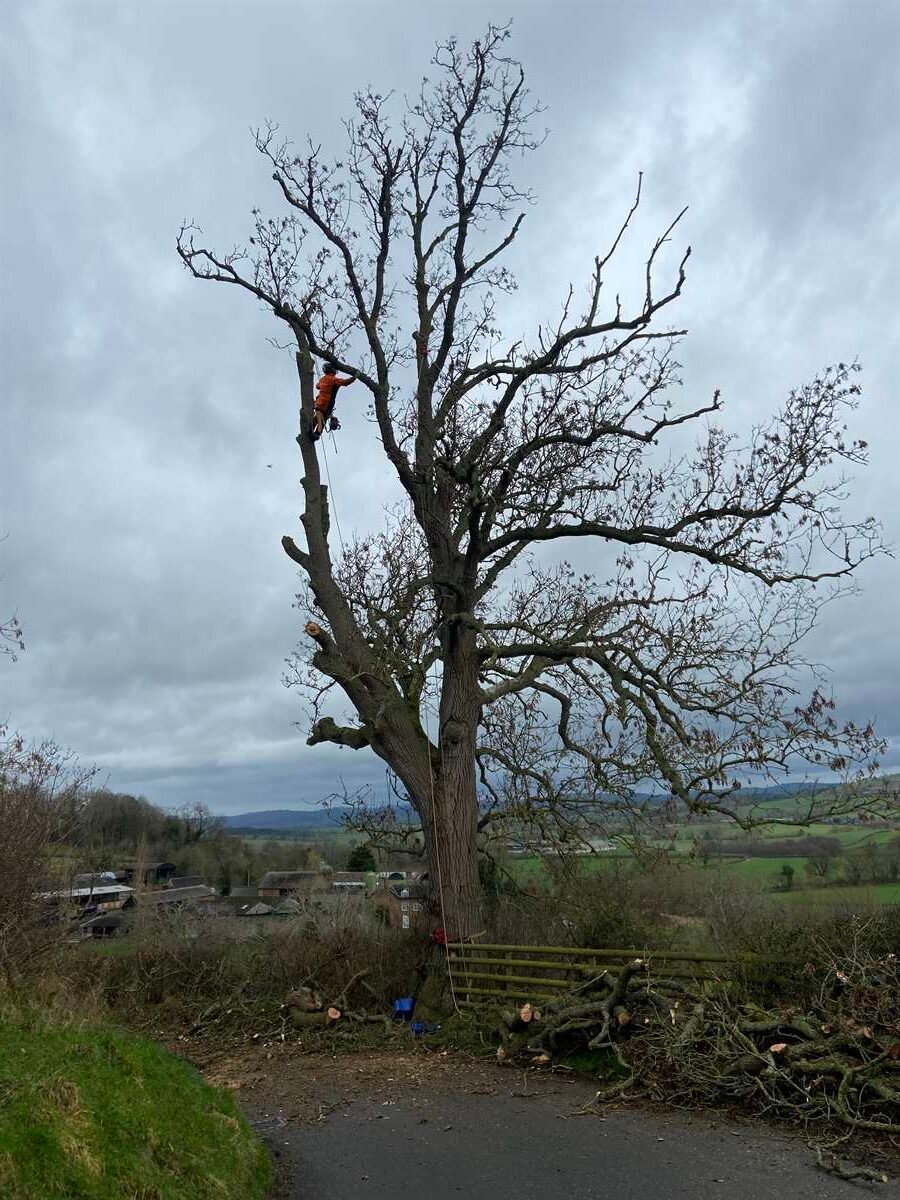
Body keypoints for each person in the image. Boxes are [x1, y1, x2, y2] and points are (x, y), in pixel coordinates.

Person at [312, 362, 355, 440]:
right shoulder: (334, 379)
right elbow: (345, 382)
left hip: (319, 404)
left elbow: (317, 386)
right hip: (327, 405)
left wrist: (322, 383)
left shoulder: (322, 379)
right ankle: (316, 435)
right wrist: (355, 377)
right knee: (321, 421)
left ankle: (312, 432)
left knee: (316, 420)